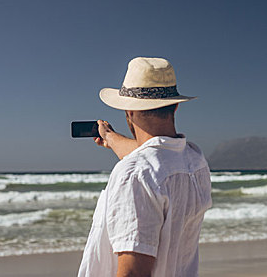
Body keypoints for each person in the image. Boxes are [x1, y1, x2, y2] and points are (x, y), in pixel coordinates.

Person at [77, 57, 212, 277]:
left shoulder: (134, 174)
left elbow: (133, 273)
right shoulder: (194, 160)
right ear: (175, 106)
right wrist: (110, 138)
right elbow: (156, 156)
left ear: (128, 111)